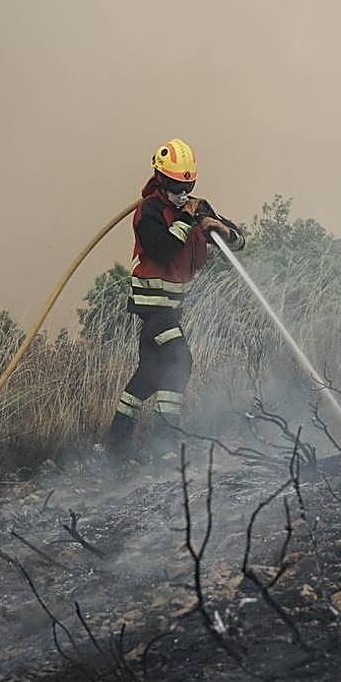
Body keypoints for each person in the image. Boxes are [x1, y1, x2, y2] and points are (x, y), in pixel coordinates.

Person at [106, 138, 245, 466]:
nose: (182, 193)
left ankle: (115, 445)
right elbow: (164, 250)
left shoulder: (197, 207)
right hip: (151, 307)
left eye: (188, 185)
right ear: (160, 179)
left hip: (172, 307)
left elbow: (240, 243)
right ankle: (164, 445)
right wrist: (186, 219)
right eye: (175, 186)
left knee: (151, 373)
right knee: (180, 362)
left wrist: (219, 228)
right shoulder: (149, 212)